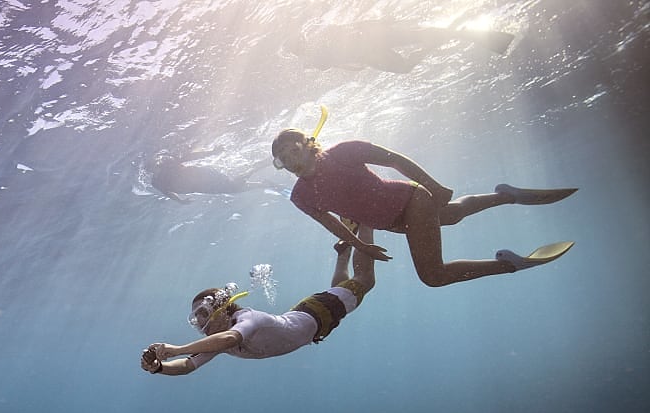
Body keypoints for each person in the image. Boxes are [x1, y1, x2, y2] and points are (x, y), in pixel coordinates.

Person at [270, 129, 577, 287]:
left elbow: (394, 159)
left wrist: (434, 186)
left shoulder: (345, 151)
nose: (290, 162)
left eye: (292, 151)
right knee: (453, 215)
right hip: (393, 221)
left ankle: (511, 264)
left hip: (411, 200)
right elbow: (330, 224)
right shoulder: (300, 196)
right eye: (282, 160)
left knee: (433, 276)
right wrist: (361, 244)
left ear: (309, 144)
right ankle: (507, 195)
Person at [140, 226, 376, 376]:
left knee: (364, 280)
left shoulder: (244, 319)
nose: (200, 322)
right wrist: (158, 368)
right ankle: (343, 254)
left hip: (319, 311)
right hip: (313, 322)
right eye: (195, 318)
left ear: (222, 308)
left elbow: (230, 338)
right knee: (342, 291)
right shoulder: (217, 342)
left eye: (202, 312)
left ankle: (366, 223)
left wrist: (177, 349)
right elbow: (187, 366)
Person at [284, 19, 515, 74]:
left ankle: (453, 34)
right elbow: (345, 60)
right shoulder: (317, 52)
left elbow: (346, 64)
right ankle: (454, 33)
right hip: (372, 45)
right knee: (412, 52)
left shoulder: (315, 58)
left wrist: (362, 63)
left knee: (410, 55)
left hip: (371, 45)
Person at [150, 147, 274, 204]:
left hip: (205, 177)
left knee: (232, 185)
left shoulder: (167, 166)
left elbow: (190, 157)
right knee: (233, 189)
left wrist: (212, 152)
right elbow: (167, 193)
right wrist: (180, 201)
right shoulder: (156, 182)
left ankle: (259, 165)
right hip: (203, 187)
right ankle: (263, 184)